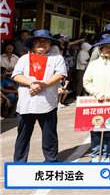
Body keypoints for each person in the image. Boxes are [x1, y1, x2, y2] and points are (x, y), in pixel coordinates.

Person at [11, 29, 67, 162]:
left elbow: (60, 74)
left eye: (45, 42)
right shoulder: (24, 58)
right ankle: (19, 163)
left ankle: (51, 161)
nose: (42, 44)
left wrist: (43, 84)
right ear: (33, 44)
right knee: (23, 136)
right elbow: (16, 75)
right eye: (38, 42)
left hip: (47, 104)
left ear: (50, 44)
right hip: (26, 104)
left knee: (49, 136)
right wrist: (32, 84)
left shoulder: (57, 58)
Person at [83, 34, 110, 162]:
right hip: (96, 101)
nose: (108, 49)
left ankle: (107, 153)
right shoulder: (93, 64)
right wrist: (96, 93)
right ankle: (96, 153)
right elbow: (86, 81)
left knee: (109, 128)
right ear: (100, 49)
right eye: (105, 47)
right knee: (95, 128)